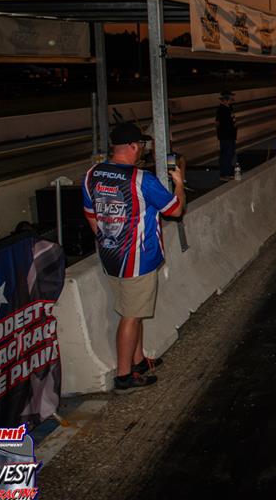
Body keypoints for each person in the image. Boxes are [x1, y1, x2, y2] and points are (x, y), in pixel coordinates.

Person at [81, 122, 185, 392]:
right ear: (132, 146)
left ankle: (138, 362)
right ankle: (124, 375)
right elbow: (174, 210)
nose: (142, 149)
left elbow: (90, 213)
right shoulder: (141, 179)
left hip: (110, 255)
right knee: (131, 315)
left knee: (133, 311)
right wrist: (179, 184)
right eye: (140, 145)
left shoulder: (93, 174)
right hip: (138, 257)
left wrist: (106, 239)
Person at [215, 89, 237, 180]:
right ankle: (225, 174)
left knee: (230, 153)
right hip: (226, 136)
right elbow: (218, 123)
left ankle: (228, 171)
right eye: (231, 98)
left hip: (230, 135)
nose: (232, 100)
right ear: (225, 99)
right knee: (226, 154)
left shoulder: (229, 108)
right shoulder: (221, 110)